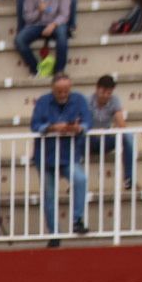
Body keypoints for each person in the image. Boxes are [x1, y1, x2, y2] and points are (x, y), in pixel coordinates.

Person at [31, 72, 92, 246]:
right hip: (46, 155)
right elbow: (35, 126)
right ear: (53, 89)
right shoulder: (43, 101)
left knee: (80, 179)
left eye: (66, 90)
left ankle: (77, 220)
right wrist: (52, 128)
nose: (63, 94)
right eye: (59, 91)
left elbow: (88, 122)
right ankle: (55, 233)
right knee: (49, 196)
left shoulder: (79, 99)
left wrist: (78, 128)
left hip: (68, 154)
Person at [88, 73, 135, 191]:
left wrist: (118, 127)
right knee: (76, 138)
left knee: (128, 136)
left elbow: (122, 124)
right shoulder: (87, 100)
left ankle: (129, 179)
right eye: (103, 92)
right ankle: (74, 182)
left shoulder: (114, 100)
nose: (105, 95)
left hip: (105, 138)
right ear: (97, 89)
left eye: (109, 93)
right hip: (88, 140)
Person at [15, 0, 68, 78]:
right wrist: (39, 11)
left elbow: (64, 15)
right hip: (36, 25)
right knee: (20, 40)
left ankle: (59, 71)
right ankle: (36, 69)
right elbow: (28, 18)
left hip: (56, 24)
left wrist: (53, 25)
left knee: (62, 35)